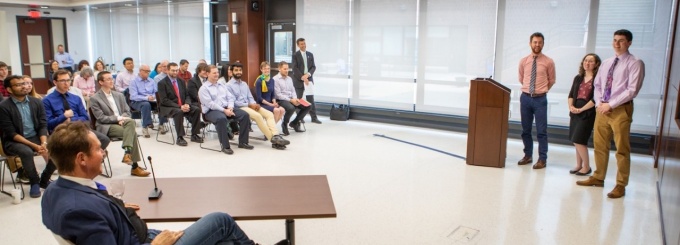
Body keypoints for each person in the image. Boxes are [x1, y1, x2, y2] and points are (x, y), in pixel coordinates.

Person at [41, 121, 258, 245]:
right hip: (147, 243)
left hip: (137, 233)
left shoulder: (55, 190)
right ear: (81, 159)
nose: (104, 153)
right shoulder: (79, 211)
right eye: (98, 149)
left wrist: (118, 208)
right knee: (221, 220)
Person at [576, 29, 645, 199]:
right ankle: (598, 177)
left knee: (622, 149)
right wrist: (600, 103)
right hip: (602, 109)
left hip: (620, 109)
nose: (617, 43)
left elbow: (632, 90)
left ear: (629, 43)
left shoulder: (635, 63)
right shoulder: (606, 62)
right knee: (599, 145)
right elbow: (598, 85)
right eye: (615, 40)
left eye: (621, 40)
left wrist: (611, 104)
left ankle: (621, 185)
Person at [0, 75, 56, 198]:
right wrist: (34, 146)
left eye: (24, 83)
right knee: (26, 152)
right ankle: (34, 182)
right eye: (19, 85)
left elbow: (42, 124)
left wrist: (43, 143)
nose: (24, 86)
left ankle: (45, 179)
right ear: (9, 89)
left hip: (36, 137)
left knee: (59, 146)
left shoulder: (36, 102)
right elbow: (11, 133)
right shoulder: (3, 107)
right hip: (13, 141)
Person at [90, 71, 150, 177]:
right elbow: (101, 118)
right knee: (132, 133)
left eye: (111, 78)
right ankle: (134, 166)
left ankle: (128, 154)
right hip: (107, 126)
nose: (111, 80)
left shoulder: (119, 95)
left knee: (130, 124)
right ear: (100, 82)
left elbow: (127, 111)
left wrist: (123, 118)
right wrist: (118, 119)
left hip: (124, 123)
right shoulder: (95, 98)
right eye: (108, 79)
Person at [227, 62, 290, 149]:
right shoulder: (228, 86)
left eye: (240, 70)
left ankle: (276, 135)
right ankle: (273, 139)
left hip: (250, 105)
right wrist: (249, 105)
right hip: (240, 107)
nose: (238, 72)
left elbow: (250, 97)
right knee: (258, 116)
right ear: (231, 72)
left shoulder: (244, 84)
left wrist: (254, 104)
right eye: (236, 70)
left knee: (269, 114)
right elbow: (233, 102)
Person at [516, 32, 556, 170]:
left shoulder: (548, 61)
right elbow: (521, 78)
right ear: (530, 43)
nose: (537, 44)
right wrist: (530, 90)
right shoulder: (523, 61)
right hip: (525, 98)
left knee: (541, 131)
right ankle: (528, 155)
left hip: (540, 100)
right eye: (535, 42)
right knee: (525, 130)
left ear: (543, 44)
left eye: (540, 42)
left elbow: (552, 80)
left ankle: (542, 159)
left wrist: (541, 90)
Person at [43, 70, 110, 149]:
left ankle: (86, 159)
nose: (66, 83)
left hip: (78, 129)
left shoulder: (75, 98)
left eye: (68, 80)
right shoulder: (47, 100)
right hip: (60, 132)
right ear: (55, 82)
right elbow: (48, 123)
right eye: (62, 81)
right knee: (74, 144)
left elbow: (85, 117)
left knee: (104, 139)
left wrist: (72, 120)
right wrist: (63, 116)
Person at [199, 65, 253, 154]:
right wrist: (224, 111)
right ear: (207, 74)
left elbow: (230, 97)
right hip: (211, 111)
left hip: (227, 108)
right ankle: (225, 146)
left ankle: (243, 142)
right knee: (221, 118)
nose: (217, 74)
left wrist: (231, 107)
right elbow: (210, 104)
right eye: (214, 73)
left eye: (217, 72)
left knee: (245, 115)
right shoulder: (204, 88)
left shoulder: (222, 85)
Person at [567, 53, 601, 176]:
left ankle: (586, 167)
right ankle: (579, 165)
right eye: (586, 60)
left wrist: (581, 109)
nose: (587, 63)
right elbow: (571, 95)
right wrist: (571, 107)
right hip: (575, 111)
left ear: (596, 64)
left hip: (587, 113)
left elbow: (595, 99)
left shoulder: (598, 79)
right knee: (576, 139)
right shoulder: (578, 78)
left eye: (591, 61)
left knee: (579, 140)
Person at [157, 62, 203, 146]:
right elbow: (164, 100)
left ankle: (194, 134)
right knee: (179, 112)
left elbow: (187, 95)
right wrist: (180, 106)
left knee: (196, 109)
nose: (175, 72)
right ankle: (180, 137)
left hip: (181, 105)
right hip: (168, 107)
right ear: (167, 71)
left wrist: (187, 104)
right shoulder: (162, 83)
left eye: (176, 70)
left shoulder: (181, 81)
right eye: (172, 71)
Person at [274, 61, 311, 135]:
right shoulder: (275, 79)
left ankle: (294, 123)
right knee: (291, 108)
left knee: (308, 106)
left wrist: (295, 99)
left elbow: (293, 90)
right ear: (279, 69)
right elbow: (278, 95)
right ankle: (284, 124)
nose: (287, 70)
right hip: (281, 100)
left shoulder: (289, 79)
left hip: (292, 98)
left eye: (287, 69)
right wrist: (291, 100)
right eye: (284, 69)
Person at [130, 64, 163, 137]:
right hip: (137, 102)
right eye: (146, 71)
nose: (148, 73)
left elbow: (156, 92)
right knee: (146, 104)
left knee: (162, 103)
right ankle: (145, 127)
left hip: (151, 101)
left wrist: (153, 97)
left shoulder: (151, 80)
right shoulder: (134, 81)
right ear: (140, 71)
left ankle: (161, 124)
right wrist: (146, 98)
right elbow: (133, 96)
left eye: (149, 71)